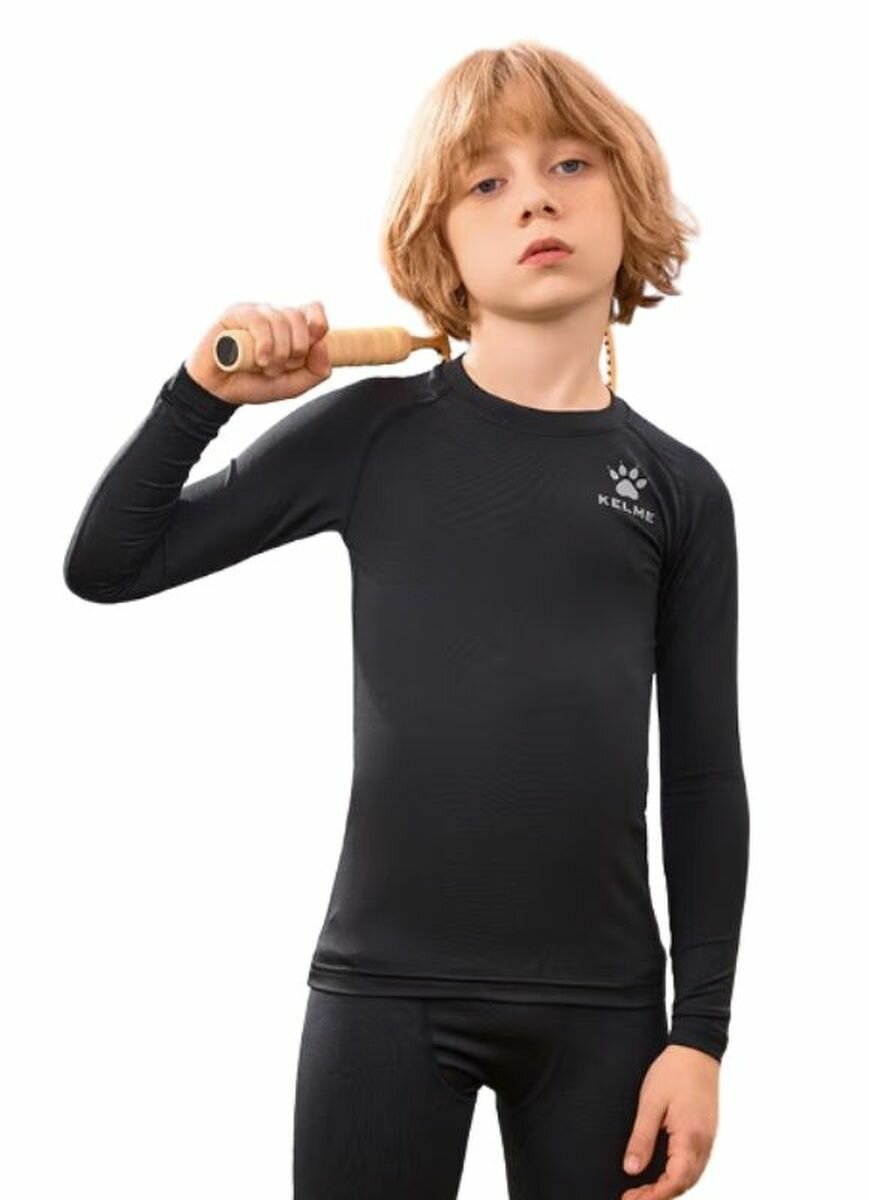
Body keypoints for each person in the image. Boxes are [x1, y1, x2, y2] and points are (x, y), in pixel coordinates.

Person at [63, 40, 750, 1200]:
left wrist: (703, 1037)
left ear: (629, 200)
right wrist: (202, 397)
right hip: (385, 995)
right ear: (442, 245)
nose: (534, 198)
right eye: (487, 180)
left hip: (602, 1013)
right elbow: (109, 563)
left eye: (570, 164)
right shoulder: (372, 434)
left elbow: (702, 773)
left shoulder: (681, 491)